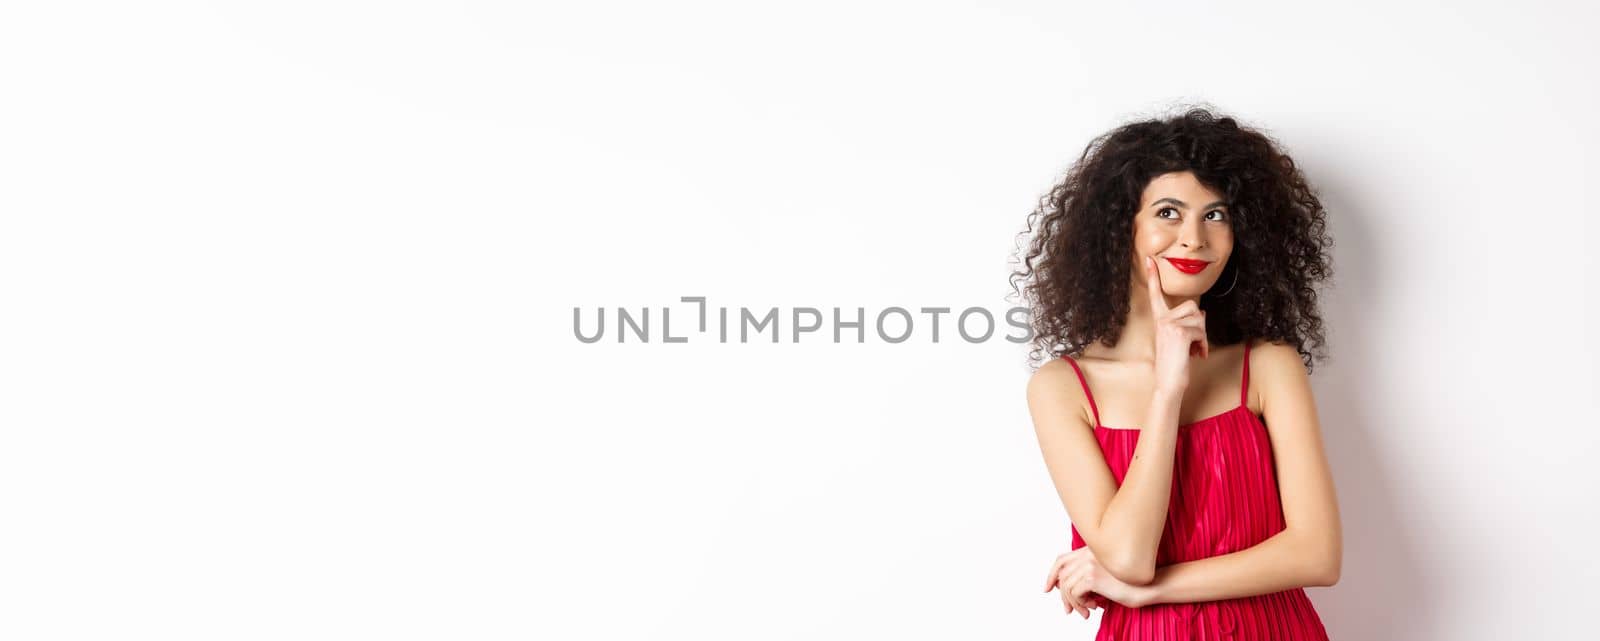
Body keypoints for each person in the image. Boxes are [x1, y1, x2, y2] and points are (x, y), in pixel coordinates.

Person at [1012, 106, 1342, 639]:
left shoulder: (1267, 366)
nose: (1194, 238)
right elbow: (1127, 557)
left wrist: (1150, 590)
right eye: (1168, 212)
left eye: (1216, 215)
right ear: (1122, 228)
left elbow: (1317, 555)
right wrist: (1168, 390)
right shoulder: (1062, 388)